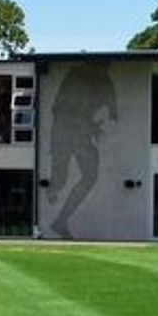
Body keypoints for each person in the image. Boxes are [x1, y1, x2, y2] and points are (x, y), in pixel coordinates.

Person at [45, 61, 118, 239]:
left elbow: (113, 112)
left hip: (78, 132)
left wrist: (100, 124)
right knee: (61, 179)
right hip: (66, 131)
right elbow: (61, 110)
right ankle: (54, 194)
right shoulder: (77, 75)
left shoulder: (105, 81)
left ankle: (60, 220)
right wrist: (91, 127)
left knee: (89, 175)